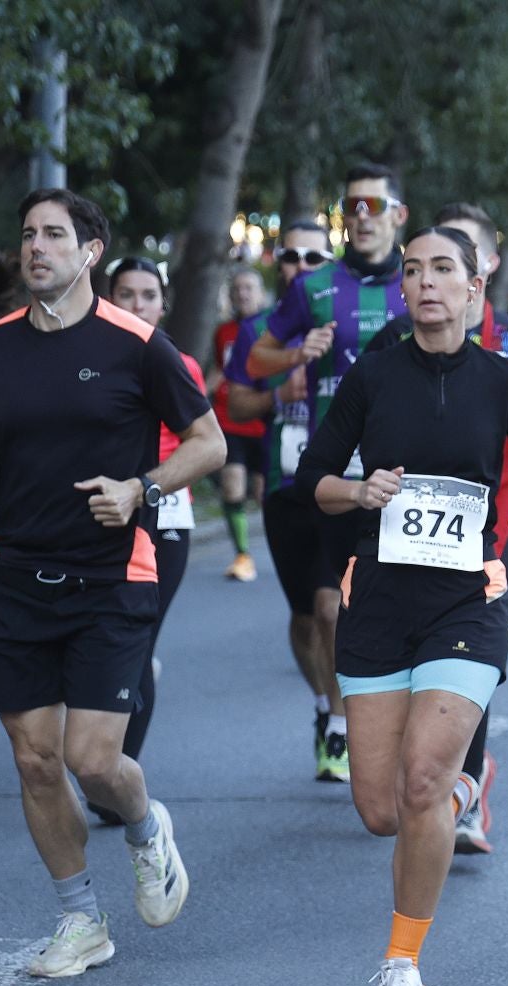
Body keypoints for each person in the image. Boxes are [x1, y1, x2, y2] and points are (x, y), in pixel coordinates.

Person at [0, 187, 225, 978]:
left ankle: (145, 829)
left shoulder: (137, 344)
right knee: (35, 759)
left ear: (90, 251)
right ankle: (79, 919)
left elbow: (208, 443)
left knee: (93, 760)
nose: (37, 247)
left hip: (111, 574)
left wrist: (143, 488)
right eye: (28, 233)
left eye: (55, 235)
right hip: (18, 574)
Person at [294, 226, 508, 986]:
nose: (425, 283)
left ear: (476, 286)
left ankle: (401, 962)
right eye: (412, 271)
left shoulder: (506, 379)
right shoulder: (373, 377)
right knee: (383, 808)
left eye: (443, 269)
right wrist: (360, 491)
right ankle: (456, 793)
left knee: (422, 780)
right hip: (378, 602)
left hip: (466, 604)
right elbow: (314, 480)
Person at [363, 202, 508, 855]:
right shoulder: (393, 341)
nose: (435, 277)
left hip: (498, 515)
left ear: (483, 270)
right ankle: (426, 764)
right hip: (399, 522)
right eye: (422, 264)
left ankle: (460, 781)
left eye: (464, 256)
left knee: (470, 641)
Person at [242, 165, 413, 783]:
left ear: (398, 213)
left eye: (373, 204)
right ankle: (340, 724)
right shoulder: (315, 287)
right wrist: (294, 354)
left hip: (407, 473)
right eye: (350, 206)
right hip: (333, 472)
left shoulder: (418, 280)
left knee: (394, 608)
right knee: (326, 607)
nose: (360, 215)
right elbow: (256, 358)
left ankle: (392, 721)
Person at [223, 222, 348, 779]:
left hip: (343, 487)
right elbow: (239, 405)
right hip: (285, 487)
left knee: (331, 608)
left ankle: (345, 727)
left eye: (314, 256)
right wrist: (282, 387)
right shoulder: (258, 332)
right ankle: (325, 704)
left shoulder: (354, 319)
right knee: (303, 618)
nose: (300, 264)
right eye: (291, 255)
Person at [107, 257, 208, 768]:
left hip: (165, 514)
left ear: (162, 304)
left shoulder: (179, 364)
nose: (138, 304)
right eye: (127, 294)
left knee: (139, 641)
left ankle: (123, 765)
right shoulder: (92, 359)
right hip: (104, 514)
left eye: (148, 295)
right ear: (109, 299)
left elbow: (203, 444)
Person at [210, 265, 270, 582]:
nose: (243, 293)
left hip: (265, 423)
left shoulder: (275, 328)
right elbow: (223, 372)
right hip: (230, 420)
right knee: (233, 484)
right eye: (238, 288)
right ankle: (243, 555)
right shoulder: (223, 332)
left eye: (249, 288)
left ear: (261, 293)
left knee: (263, 495)